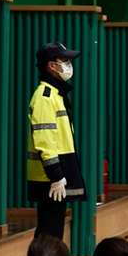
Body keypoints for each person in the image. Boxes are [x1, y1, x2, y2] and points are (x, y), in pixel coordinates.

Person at [27, 42, 87, 239]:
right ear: (51, 65)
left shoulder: (55, 95)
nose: (69, 65)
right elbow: (44, 141)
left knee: (53, 230)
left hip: (55, 175)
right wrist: (56, 176)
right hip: (50, 177)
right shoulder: (45, 97)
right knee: (49, 232)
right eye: (65, 61)